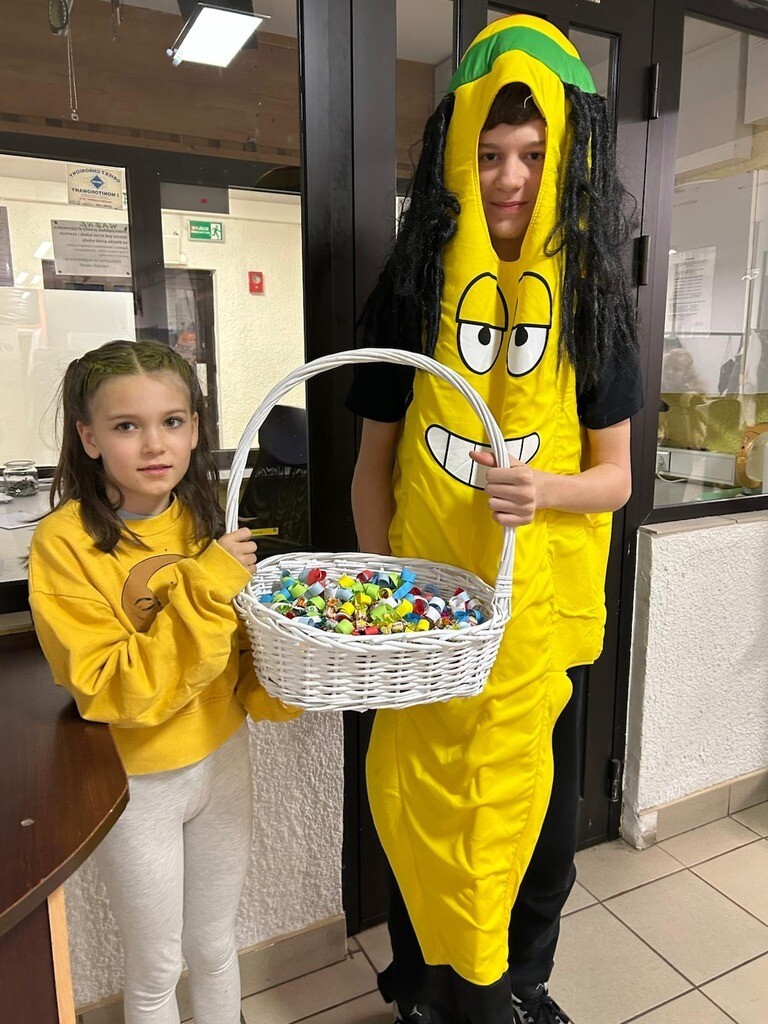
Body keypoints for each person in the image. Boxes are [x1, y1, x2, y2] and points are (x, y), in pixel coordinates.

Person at [347, 15, 643, 1024]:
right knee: (421, 803)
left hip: (534, 629)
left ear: (569, 160)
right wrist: (385, 597)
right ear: (455, 159)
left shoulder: (594, 305)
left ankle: (521, 986)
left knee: (536, 831)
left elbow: (615, 478)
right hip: (428, 623)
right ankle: (426, 989)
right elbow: (373, 470)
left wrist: (543, 490)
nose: (510, 177)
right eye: (489, 153)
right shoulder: (410, 295)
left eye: (532, 153)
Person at [28, 339, 301, 1024]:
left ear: (195, 428)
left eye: (172, 421)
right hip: (139, 783)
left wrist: (289, 676)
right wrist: (206, 586)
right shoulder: (64, 544)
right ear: (89, 438)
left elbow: (237, 657)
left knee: (214, 945)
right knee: (155, 969)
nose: (155, 444)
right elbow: (109, 688)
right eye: (127, 425)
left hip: (223, 759)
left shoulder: (207, 518)